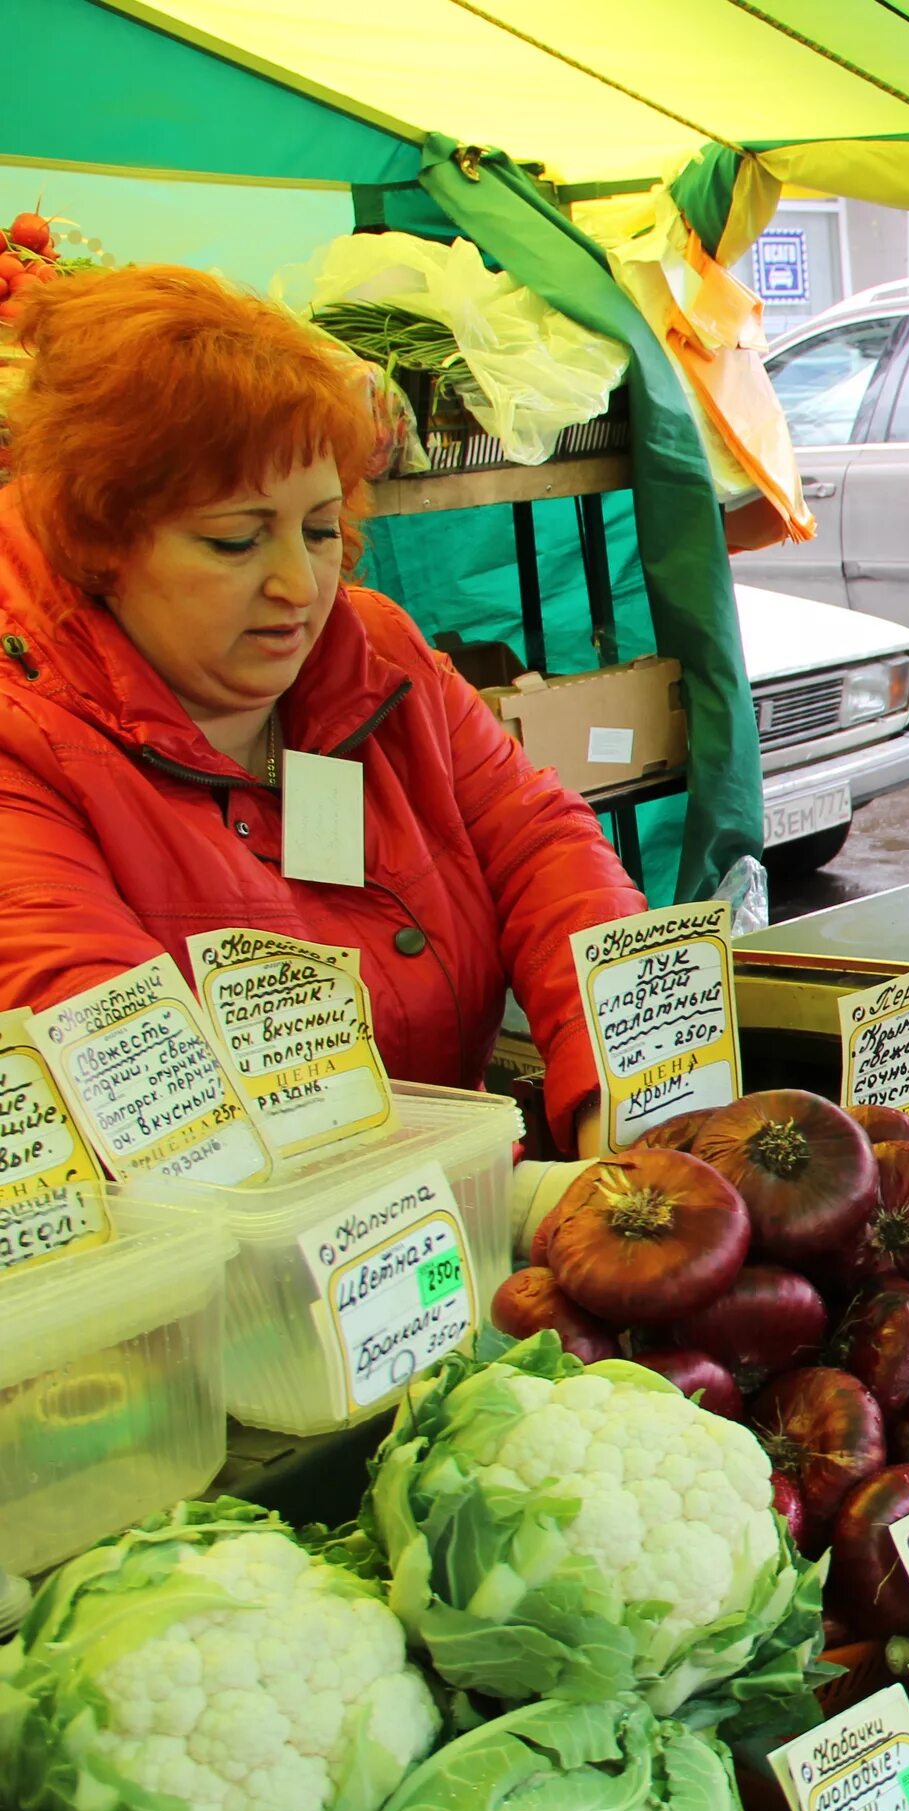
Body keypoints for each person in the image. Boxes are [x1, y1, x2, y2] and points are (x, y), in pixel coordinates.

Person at [0, 265, 644, 1150]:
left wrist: (628, 1101)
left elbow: (542, 845)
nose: (301, 586)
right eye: (236, 540)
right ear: (100, 537)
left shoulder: (375, 646)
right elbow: (120, 1069)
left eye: (318, 528)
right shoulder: (21, 740)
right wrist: (513, 1205)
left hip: (450, 1222)